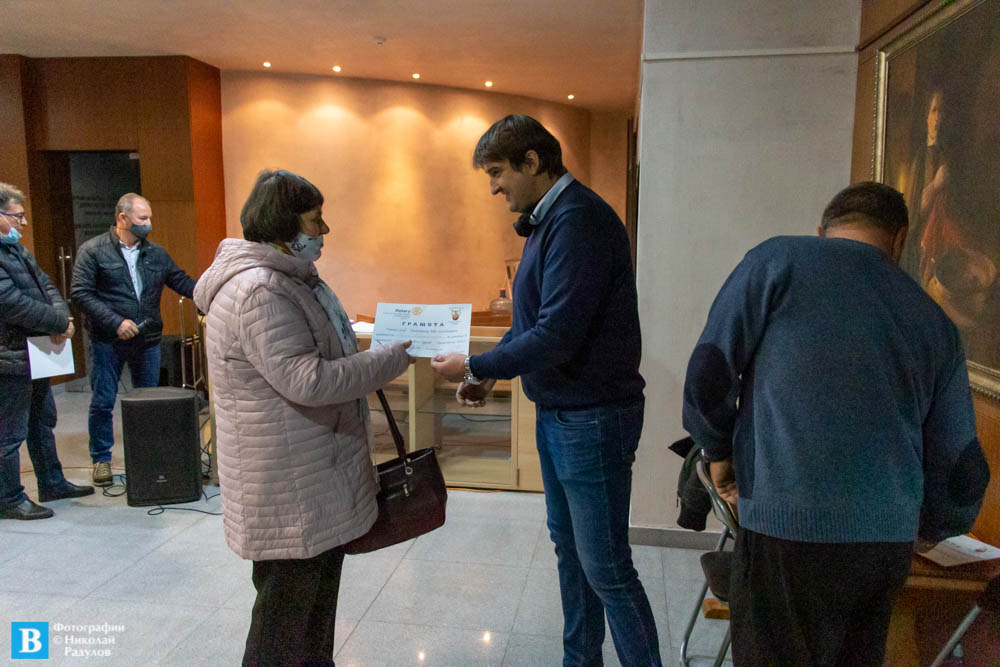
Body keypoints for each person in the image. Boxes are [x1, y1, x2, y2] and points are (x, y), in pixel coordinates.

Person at [682, 182, 990, 666]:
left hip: (786, 527)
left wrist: (717, 452)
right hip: (883, 545)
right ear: (900, 239)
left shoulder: (776, 262)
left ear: (822, 231)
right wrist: (932, 526)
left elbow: (709, 373)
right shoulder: (934, 321)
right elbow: (962, 466)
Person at [431, 115, 661, 666]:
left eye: (497, 172)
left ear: (532, 161)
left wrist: (476, 362)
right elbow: (531, 321)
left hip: (592, 419)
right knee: (573, 556)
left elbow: (557, 334)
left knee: (607, 568)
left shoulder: (578, 220)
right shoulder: (550, 221)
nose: (493, 187)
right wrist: (487, 373)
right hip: (564, 415)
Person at [194, 169, 411, 666]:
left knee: (311, 621)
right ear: (284, 226)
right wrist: (389, 359)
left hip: (309, 479)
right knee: (282, 631)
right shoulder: (260, 291)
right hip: (289, 491)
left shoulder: (290, 281)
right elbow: (308, 381)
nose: (324, 230)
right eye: (315, 220)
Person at [70, 193, 197, 487]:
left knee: (146, 402)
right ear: (123, 218)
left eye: (149, 217)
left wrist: (216, 287)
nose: (149, 223)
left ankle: (146, 458)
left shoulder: (156, 253)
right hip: (107, 340)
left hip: (147, 340)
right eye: (143, 218)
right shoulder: (93, 251)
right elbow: (81, 294)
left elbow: (182, 282)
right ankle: (101, 459)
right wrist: (115, 322)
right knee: (103, 401)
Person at [0, 182, 94, 520]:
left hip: (33, 351)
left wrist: (61, 318)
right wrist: (56, 321)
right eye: (17, 216)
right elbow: (10, 302)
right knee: (9, 433)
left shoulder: (17, 250)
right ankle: (9, 498)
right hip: (9, 357)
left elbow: (48, 287)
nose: (23, 223)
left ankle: (52, 482)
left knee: (42, 421)